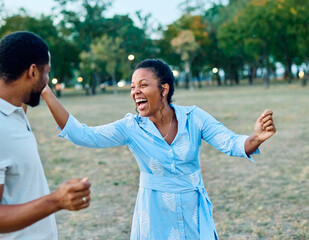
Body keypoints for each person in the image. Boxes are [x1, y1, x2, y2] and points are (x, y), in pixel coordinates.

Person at [42, 59, 276, 240]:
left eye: (143, 85)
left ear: (164, 89)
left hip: (193, 211)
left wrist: (255, 138)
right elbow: (82, 134)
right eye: (133, 87)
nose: (135, 92)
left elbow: (231, 142)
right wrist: (45, 91)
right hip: (154, 215)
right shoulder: (131, 127)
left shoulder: (194, 118)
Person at [0, 31, 91, 239]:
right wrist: (57, 200)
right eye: (47, 73)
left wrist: (41, 84)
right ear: (32, 71)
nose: (47, 81)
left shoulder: (14, 111)